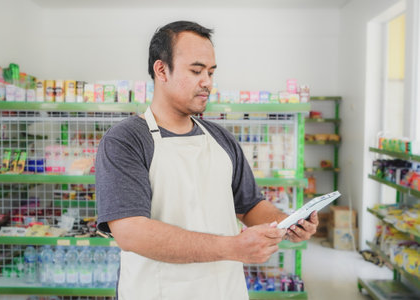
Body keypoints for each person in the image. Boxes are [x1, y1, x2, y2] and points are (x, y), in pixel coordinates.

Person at [96, 20, 318, 300]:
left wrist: (287, 222)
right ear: (161, 70)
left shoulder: (220, 138)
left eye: (211, 72)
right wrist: (233, 247)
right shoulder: (125, 140)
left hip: (224, 291)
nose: (207, 82)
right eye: (196, 70)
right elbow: (131, 232)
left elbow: (250, 205)